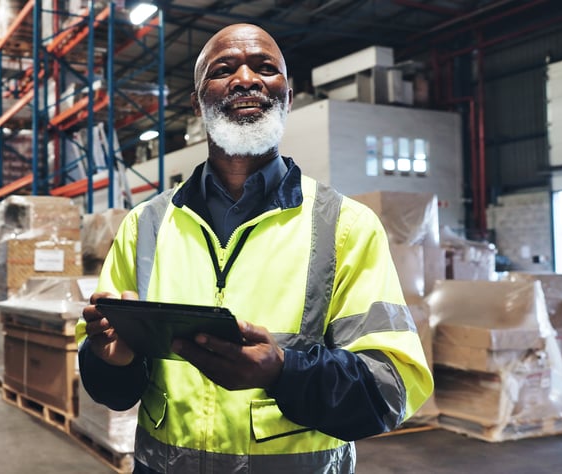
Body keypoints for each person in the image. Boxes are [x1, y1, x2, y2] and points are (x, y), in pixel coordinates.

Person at [76, 23, 433, 474]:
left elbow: (391, 388)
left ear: (285, 96)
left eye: (266, 68)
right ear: (197, 102)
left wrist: (283, 372)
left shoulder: (345, 227)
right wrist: (112, 360)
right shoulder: (143, 226)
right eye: (224, 69)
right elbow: (111, 388)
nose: (247, 79)